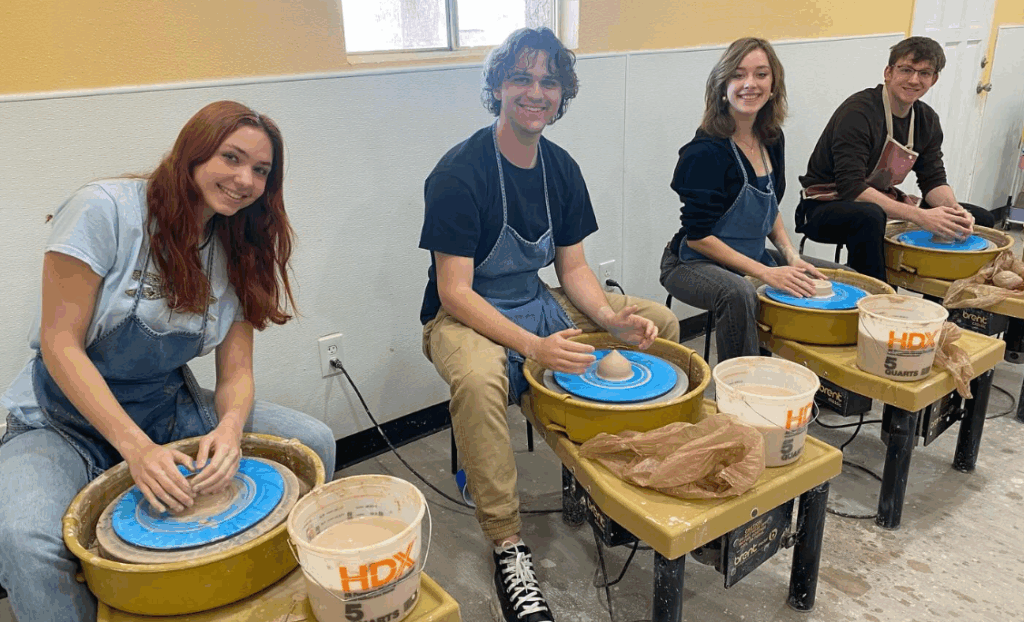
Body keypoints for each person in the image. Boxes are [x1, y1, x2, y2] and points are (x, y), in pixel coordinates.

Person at [0, 101, 337, 622]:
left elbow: (236, 372)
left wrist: (229, 428)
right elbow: (59, 344)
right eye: (231, 157)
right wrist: (136, 449)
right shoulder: (104, 210)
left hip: (164, 405)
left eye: (261, 170)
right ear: (193, 151)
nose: (245, 180)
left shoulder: (241, 243)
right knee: (27, 539)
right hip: (60, 416)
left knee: (314, 441)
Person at [418, 27, 679, 622]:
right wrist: (535, 347)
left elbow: (574, 267)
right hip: (463, 316)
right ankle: (508, 545)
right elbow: (455, 292)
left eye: (548, 82)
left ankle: (617, 475)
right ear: (497, 87)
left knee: (658, 323)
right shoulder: (459, 172)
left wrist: (610, 319)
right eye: (521, 78)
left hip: (535, 299)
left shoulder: (560, 168)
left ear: (562, 95)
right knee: (480, 380)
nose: (535, 92)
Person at [660, 37, 845, 363]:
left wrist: (790, 256)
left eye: (761, 74)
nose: (750, 84)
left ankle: (823, 379)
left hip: (751, 254)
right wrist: (766, 273)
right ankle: (743, 385)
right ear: (723, 86)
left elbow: (768, 208)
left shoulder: (771, 138)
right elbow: (699, 237)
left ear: (773, 86)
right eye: (738, 74)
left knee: (836, 276)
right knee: (739, 292)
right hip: (692, 262)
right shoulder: (705, 152)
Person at [795, 36, 996, 283]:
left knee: (979, 219)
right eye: (906, 70)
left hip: (880, 202)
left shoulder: (926, 120)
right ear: (888, 73)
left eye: (924, 73)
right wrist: (920, 216)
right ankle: (876, 295)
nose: (914, 80)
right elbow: (852, 188)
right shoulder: (858, 112)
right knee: (870, 217)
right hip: (823, 206)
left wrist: (954, 211)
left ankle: (940, 298)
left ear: (934, 79)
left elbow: (933, 179)